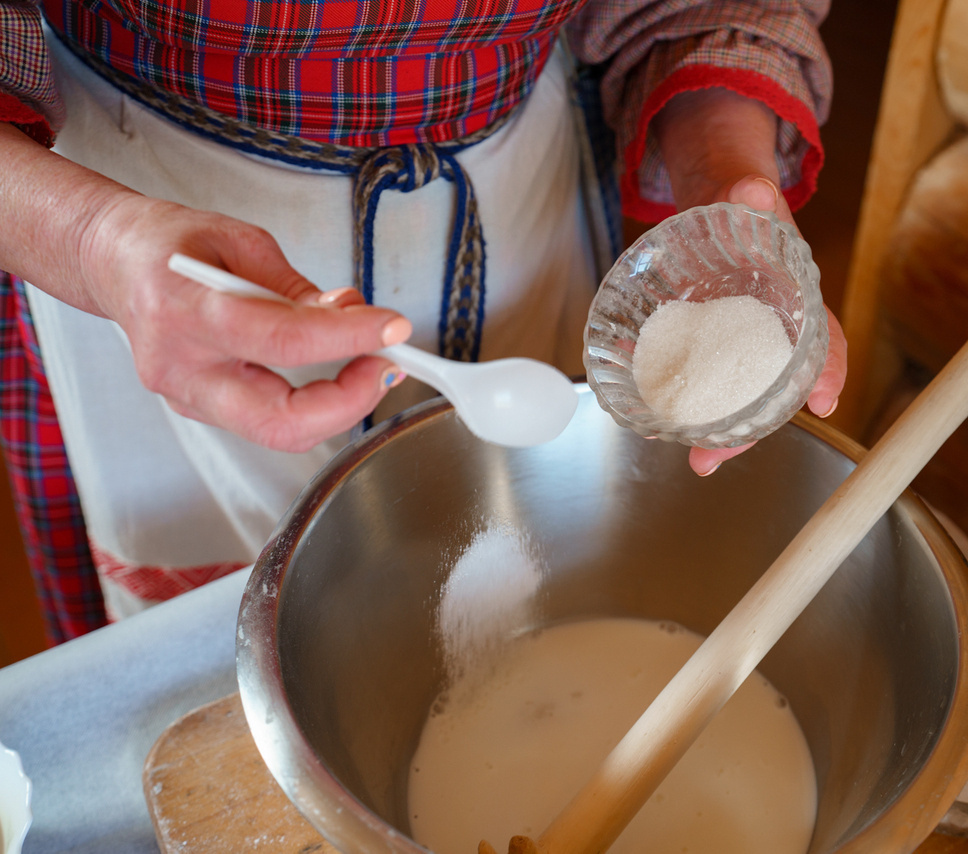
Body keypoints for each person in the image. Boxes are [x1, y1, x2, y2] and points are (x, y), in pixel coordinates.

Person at [0, 0, 848, 629]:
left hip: (516, 192)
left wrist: (722, 187)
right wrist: (90, 239)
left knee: (531, 597)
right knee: (243, 648)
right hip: (150, 219)